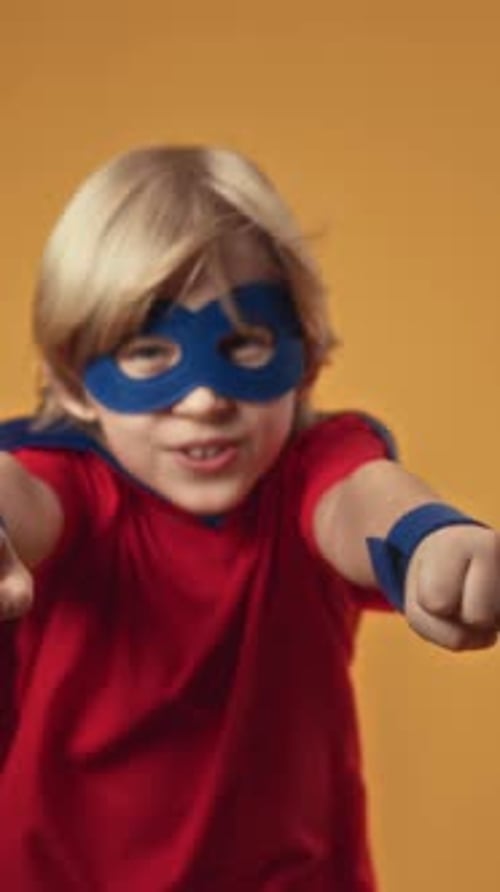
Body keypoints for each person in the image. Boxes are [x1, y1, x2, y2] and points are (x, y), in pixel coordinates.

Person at [0, 145, 498, 892]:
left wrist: (434, 541)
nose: (204, 400)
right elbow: (19, 499)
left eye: (243, 345)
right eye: (147, 353)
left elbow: (365, 500)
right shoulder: (67, 491)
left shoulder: (311, 473)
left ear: (307, 357)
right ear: (74, 385)